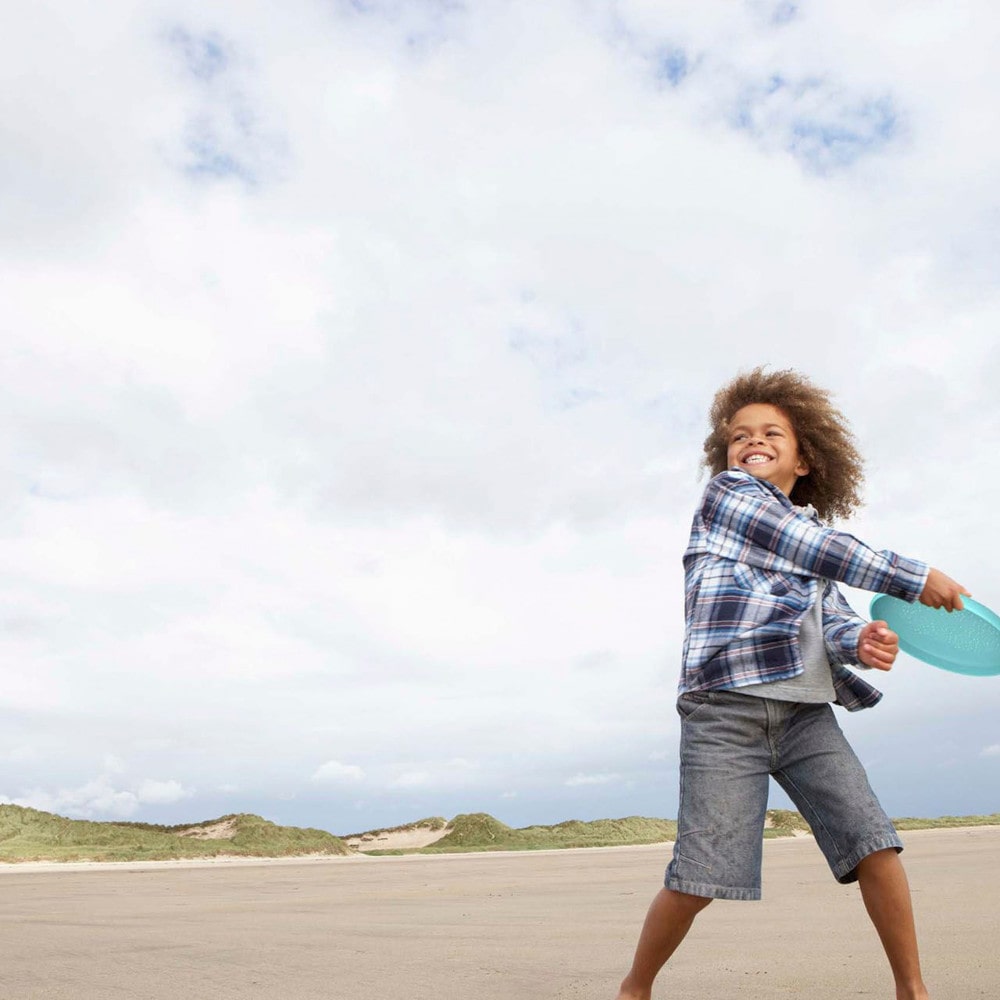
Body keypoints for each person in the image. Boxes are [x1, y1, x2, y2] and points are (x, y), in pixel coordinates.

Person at [614, 367, 968, 1000]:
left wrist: (859, 639)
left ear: (805, 457)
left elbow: (828, 619)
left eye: (772, 432)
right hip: (725, 713)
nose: (753, 441)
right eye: (739, 435)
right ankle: (635, 987)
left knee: (875, 844)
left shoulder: (810, 548)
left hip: (805, 715)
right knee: (700, 875)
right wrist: (912, 577)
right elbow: (810, 543)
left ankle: (912, 990)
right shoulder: (729, 499)